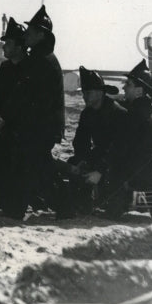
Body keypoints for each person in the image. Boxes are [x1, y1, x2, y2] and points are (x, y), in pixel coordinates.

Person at [0, 5, 65, 220]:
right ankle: (64, 206)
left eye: (31, 31)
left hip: (38, 129)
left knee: (28, 169)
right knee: (37, 169)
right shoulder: (40, 58)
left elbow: (31, 102)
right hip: (38, 128)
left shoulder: (42, 62)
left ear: (41, 35)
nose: (26, 34)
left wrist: (11, 123)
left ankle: (17, 211)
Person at [99, 59, 152, 219]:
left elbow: (120, 150)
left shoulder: (132, 115)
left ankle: (114, 211)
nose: (124, 87)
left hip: (147, 175)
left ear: (139, 91)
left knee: (113, 167)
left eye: (129, 84)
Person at [55, 67, 126, 216]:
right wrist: (82, 160)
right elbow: (81, 142)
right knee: (74, 163)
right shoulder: (87, 113)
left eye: (88, 92)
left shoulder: (117, 113)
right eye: (83, 92)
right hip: (101, 153)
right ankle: (82, 205)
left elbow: (119, 148)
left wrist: (100, 171)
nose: (84, 96)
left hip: (119, 157)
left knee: (114, 172)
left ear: (100, 92)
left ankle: (115, 207)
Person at [0, 17, 27, 214]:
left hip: (21, 128)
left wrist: (8, 121)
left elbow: (26, 103)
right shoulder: (5, 67)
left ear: (19, 46)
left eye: (8, 43)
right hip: (3, 127)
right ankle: (2, 203)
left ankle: (16, 207)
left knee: (18, 167)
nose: (4, 48)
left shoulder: (31, 69)